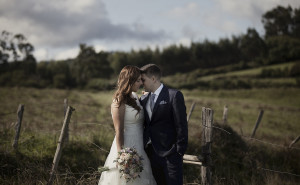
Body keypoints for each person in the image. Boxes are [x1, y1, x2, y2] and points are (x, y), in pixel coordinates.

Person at [98, 66, 157, 185]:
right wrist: (122, 157)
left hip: (139, 147)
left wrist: (146, 97)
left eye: (141, 80)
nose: (141, 83)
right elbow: (118, 130)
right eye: (138, 80)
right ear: (129, 81)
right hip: (126, 147)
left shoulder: (135, 97)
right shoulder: (119, 100)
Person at [140, 64, 188, 185]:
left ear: (153, 79)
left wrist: (179, 151)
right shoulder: (144, 99)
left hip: (171, 155)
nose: (142, 83)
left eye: (143, 80)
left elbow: (181, 125)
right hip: (151, 154)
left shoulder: (174, 95)